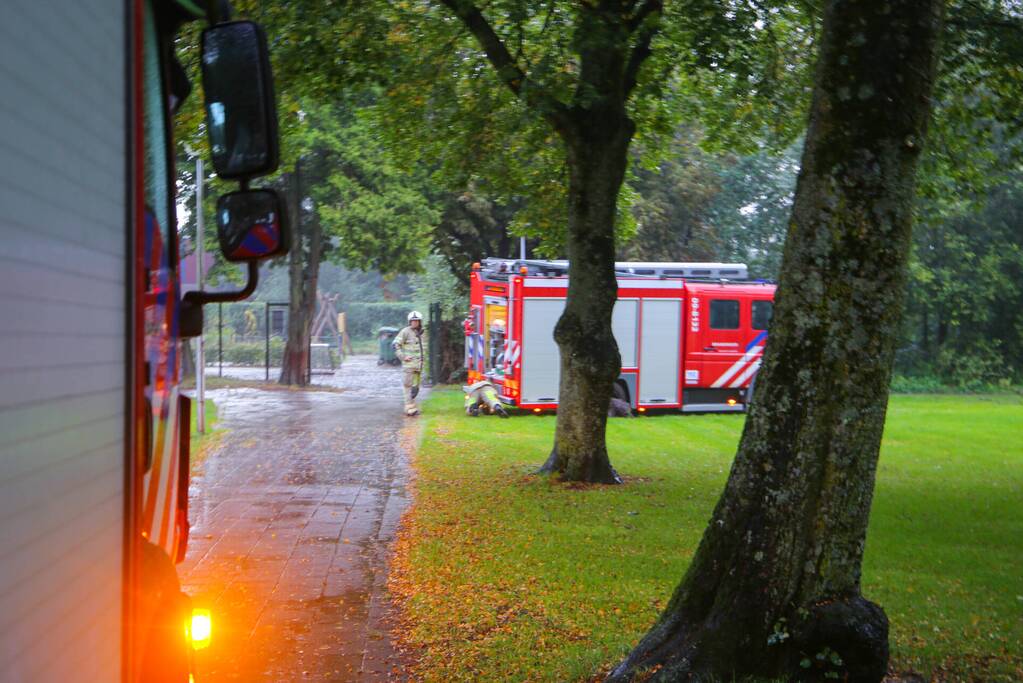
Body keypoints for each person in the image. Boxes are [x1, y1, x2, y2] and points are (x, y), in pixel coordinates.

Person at [393, 311, 425, 416]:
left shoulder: (422, 333)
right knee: (408, 386)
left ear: (420, 322)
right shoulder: (405, 332)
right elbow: (395, 344)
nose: (414, 323)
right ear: (409, 321)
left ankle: (413, 406)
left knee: (415, 388)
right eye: (412, 321)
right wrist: (403, 357)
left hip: (419, 366)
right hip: (409, 366)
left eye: (416, 321)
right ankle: (409, 408)